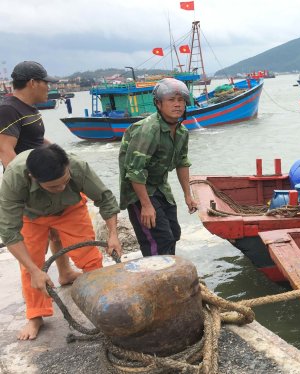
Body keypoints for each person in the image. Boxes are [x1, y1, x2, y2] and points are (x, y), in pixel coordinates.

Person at [0, 144, 122, 340]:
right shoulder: (14, 178)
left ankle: (100, 305)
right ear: (33, 177)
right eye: (53, 186)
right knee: (31, 265)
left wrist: (113, 235)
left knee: (90, 258)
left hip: (70, 208)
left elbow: (105, 198)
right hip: (30, 215)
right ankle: (36, 315)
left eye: (65, 181)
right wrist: (34, 270)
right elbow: (9, 232)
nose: (61, 187)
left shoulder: (77, 166)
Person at [0, 61, 79, 287]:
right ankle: (35, 305)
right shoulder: (8, 109)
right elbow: (5, 151)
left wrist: (62, 157)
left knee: (56, 229)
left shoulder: (28, 108)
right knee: (34, 242)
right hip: (32, 183)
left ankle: (65, 272)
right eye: (46, 82)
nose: (48, 87)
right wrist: (31, 184)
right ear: (33, 82)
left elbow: (37, 140)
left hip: (46, 177)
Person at [119, 77, 197, 257]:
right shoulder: (148, 130)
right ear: (158, 104)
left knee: (173, 234)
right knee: (157, 239)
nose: (177, 105)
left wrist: (188, 195)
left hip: (159, 186)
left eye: (181, 100)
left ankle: (170, 276)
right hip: (138, 191)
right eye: (171, 100)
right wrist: (146, 205)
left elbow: (182, 162)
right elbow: (134, 172)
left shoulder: (181, 131)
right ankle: (156, 278)